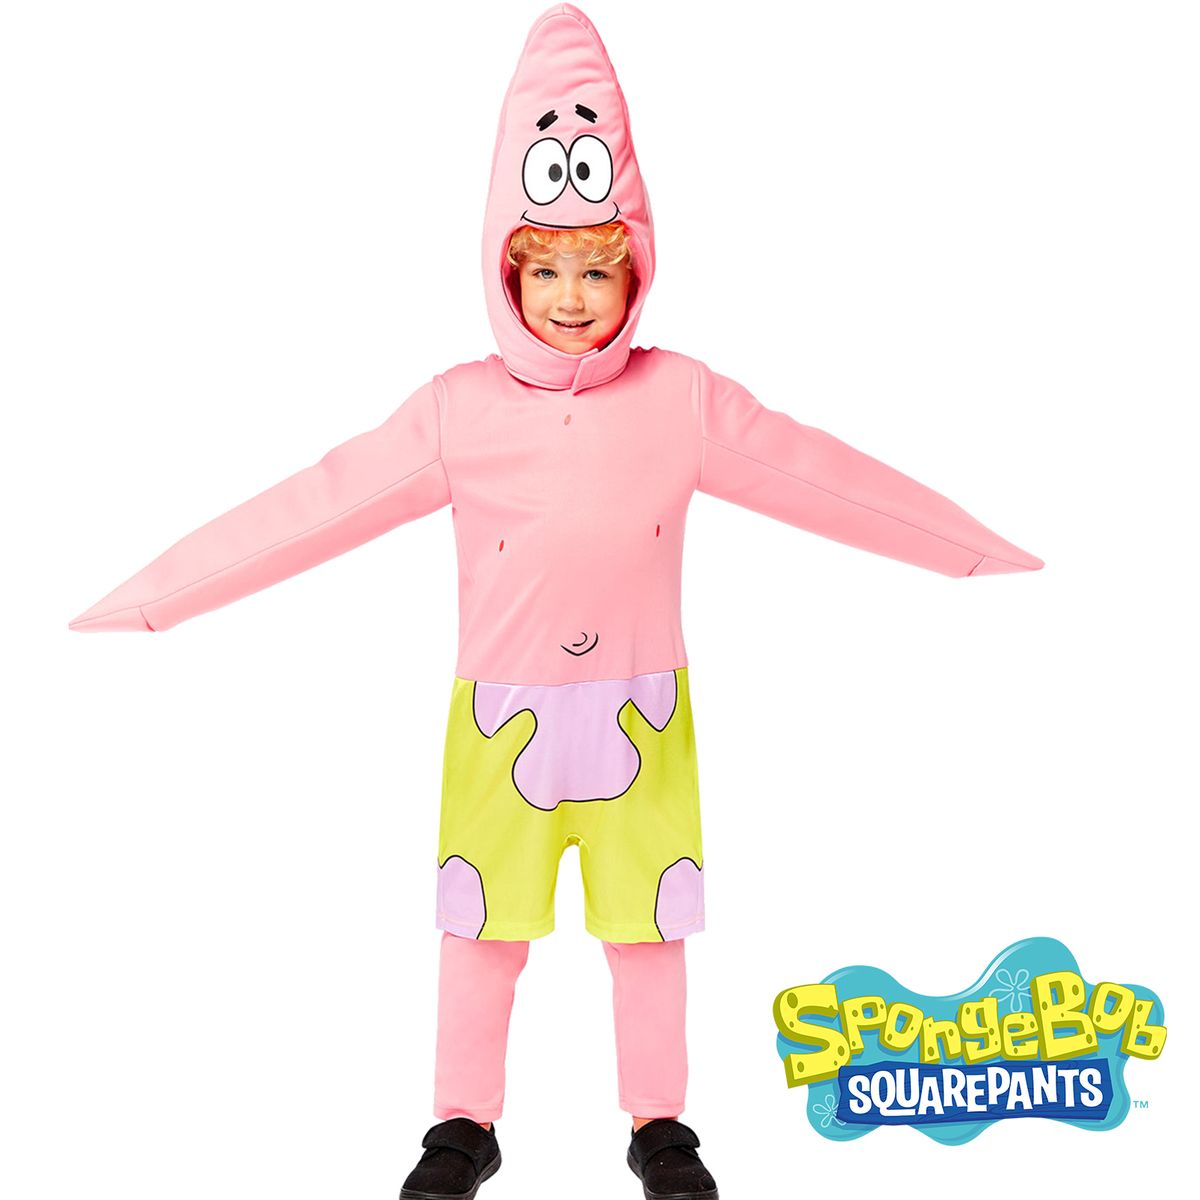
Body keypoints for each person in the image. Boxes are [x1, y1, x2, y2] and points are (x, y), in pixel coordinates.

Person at [68, 7, 1042, 1199]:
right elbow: (313, 508)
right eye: (545, 269)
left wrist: (972, 550)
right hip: (501, 723)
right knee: (480, 935)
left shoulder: (681, 399)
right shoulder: (459, 410)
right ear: (505, 268)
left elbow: (824, 478)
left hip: (644, 719)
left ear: (636, 266)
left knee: (650, 932)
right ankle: (461, 1124)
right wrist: (154, 598)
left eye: (597, 267)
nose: (572, 297)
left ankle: (660, 1125)